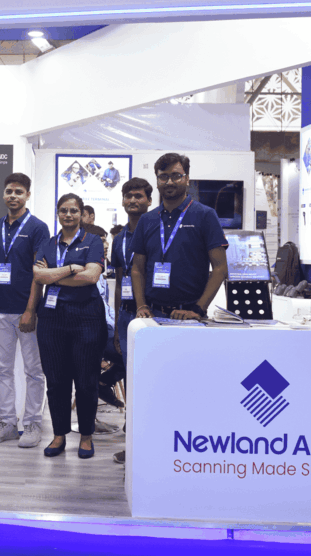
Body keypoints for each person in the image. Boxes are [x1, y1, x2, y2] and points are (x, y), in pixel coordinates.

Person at [32, 193, 107, 459]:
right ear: (58, 213)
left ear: (81, 213)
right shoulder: (48, 243)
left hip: (87, 317)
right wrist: (72, 268)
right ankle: (59, 435)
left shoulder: (93, 241)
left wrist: (53, 275)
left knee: (86, 381)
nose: (68, 215)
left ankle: (86, 436)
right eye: (63, 210)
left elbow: (91, 277)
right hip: (52, 319)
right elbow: (37, 275)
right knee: (56, 380)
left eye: (73, 210)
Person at [0, 173, 50, 448]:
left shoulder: (38, 228)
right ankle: (7, 423)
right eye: (9, 191)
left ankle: (33, 423)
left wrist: (30, 310)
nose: (13, 196)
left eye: (19, 192)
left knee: (34, 371)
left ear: (27, 195)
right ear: (4, 195)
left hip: (27, 311)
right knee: (2, 370)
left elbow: (39, 273)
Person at [132, 153, 228, 320]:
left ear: (187, 179)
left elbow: (220, 268)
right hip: (153, 315)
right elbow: (137, 269)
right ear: (157, 181)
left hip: (190, 315)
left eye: (176, 176)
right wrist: (141, 305)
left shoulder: (205, 215)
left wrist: (199, 309)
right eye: (163, 177)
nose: (169, 182)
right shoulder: (147, 220)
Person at [108, 177, 153, 464]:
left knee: (150, 376)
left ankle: (149, 440)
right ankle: (133, 436)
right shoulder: (119, 238)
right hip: (126, 313)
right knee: (131, 374)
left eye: (139, 196)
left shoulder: (156, 231)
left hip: (151, 312)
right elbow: (120, 280)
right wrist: (116, 323)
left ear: (149, 200)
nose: (133, 201)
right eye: (129, 196)